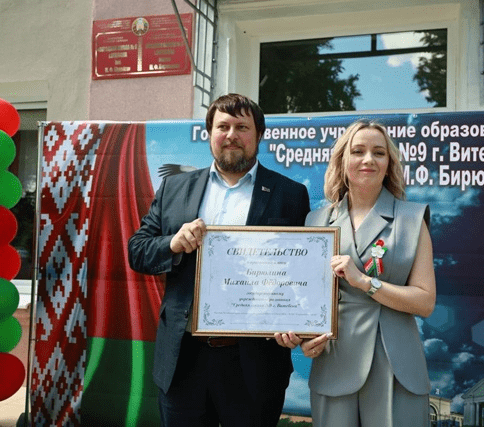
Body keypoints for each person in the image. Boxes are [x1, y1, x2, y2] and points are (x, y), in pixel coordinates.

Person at [128, 93, 310, 427]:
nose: (231, 135)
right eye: (222, 126)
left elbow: (303, 273)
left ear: (259, 135)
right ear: (209, 133)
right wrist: (173, 243)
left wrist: (296, 321)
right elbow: (138, 251)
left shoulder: (290, 194)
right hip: (184, 360)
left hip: (255, 363)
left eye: (242, 127)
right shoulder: (174, 188)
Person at [275, 120, 436, 426]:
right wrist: (303, 337)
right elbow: (306, 300)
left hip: (396, 367)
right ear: (342, 160)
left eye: (379, 152)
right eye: (358, 151)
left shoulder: (413, 218)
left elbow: (425, 302)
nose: (368, 159)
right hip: (334, 361)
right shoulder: (316, 221)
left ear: (389, 164)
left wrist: (365, 282)